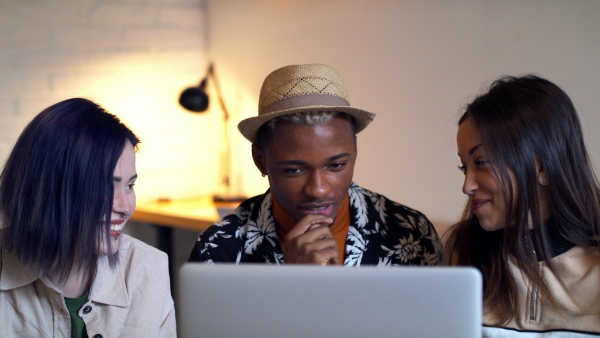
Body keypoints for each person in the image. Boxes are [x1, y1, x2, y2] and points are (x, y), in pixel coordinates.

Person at [189, 63, 442, 266]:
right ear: (261, 160)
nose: (318, 190)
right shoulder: (219, 248)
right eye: (294, 170)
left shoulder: (410, 232)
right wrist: (297, 285)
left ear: (355, 151)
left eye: (336, 166)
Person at [0, 98, 176, 337]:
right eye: (104, 187)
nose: (126, 207)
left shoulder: (147, 268)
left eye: (130, 185)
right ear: (50, 187)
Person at [444, 75, 600, 336]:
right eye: (464, 167)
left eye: (481, 162)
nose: (467, 185)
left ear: (540, 164)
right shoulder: (462, 251)